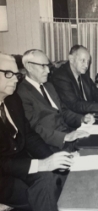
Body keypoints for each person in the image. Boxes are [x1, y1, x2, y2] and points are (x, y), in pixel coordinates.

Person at [0, 53, 74, 211]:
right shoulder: (19, 95)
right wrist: (42, 164)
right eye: (8, 74)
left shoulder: (12, 100)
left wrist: (50, 158)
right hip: (3, 175)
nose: (15, 79)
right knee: (43, 191)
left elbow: (29, 135)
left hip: (18, 164)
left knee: (54, 176)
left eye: (16, 74)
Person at [17, 49, 92, 150]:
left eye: (48, 66)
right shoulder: (21, 93)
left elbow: (63, 111)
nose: (48, 71)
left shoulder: (49, 86)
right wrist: (65, 137)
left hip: (69, 133)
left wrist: (81, 119)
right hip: (51, 144)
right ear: (29, 67)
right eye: (43, 66)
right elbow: (33, 129)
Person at [52, 45, 98, 114]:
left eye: (88, 61)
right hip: (74, 120)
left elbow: (94, 92)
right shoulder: (61, 76)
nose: (86, 65)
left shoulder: (83, 73)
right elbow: (74, 104)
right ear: (71, 59)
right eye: (83, 60)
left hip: (88, 115)